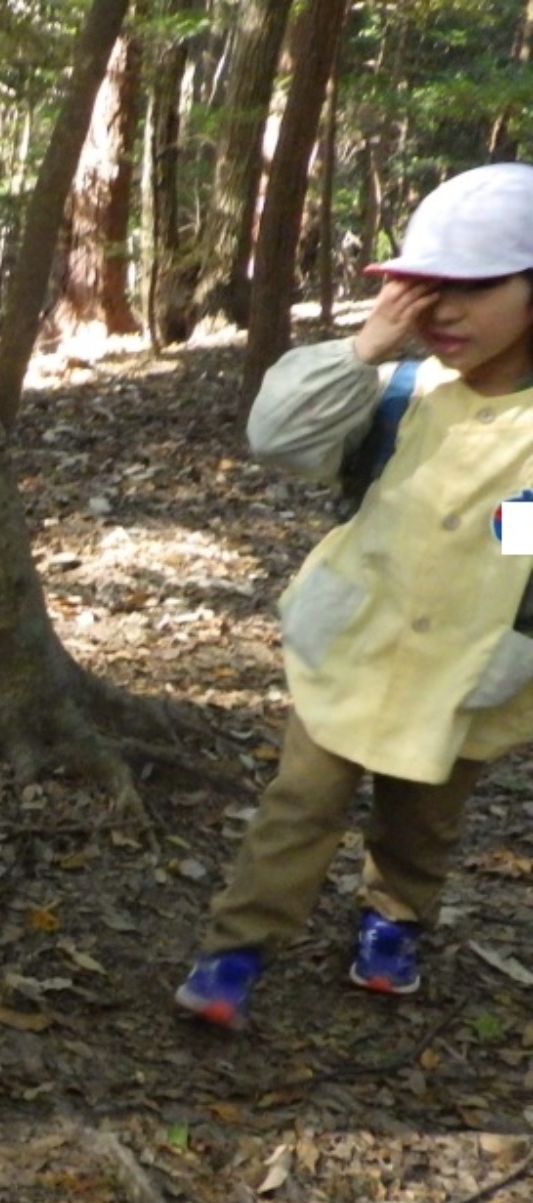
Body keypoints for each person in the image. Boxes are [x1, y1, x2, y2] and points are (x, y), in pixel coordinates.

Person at [175, 161, 533, 1032]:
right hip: (355, 641)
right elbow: (277, 435)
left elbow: (519, 543)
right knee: (301, 804)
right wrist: (366, 347)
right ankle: (237, 948)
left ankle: (393, 921)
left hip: (471, 661)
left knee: (425, 813)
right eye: (422, 288)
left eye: (471, 288)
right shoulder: (400, 392)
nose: (440, 310)